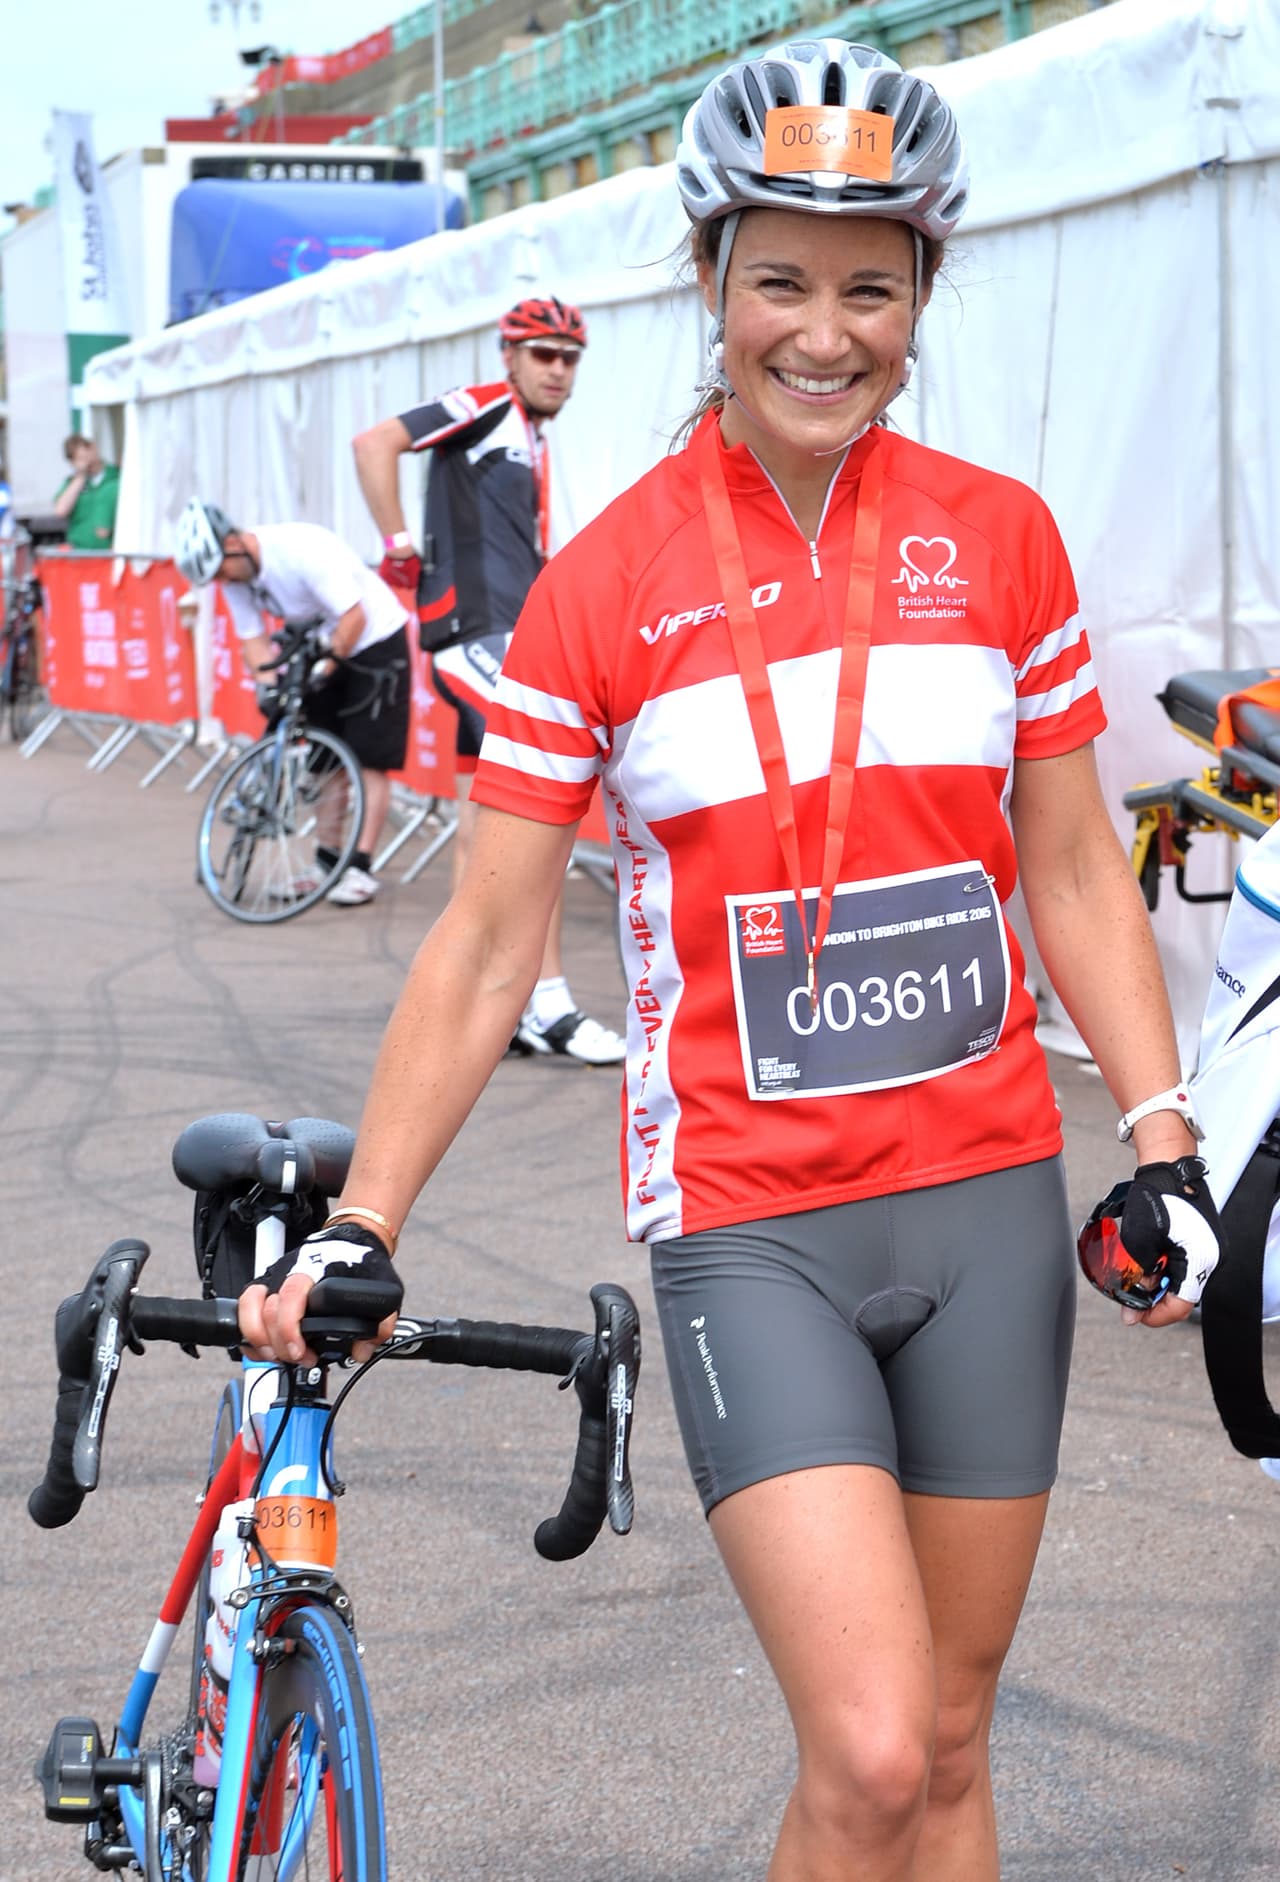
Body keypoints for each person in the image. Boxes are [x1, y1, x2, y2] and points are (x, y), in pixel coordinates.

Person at [242, 40, 1225, 1880]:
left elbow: (1076, 867)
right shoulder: (607, 583)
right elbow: (487, 938)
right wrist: (366, 1213)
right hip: (754, 1224)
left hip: (991, 1200)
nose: (824, 334)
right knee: (869, 1746)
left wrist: (1164, 1137)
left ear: (923, 293)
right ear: (709, 281)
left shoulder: (1003, 542)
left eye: (872, 289)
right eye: (780, 281)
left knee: (951, 1737)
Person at [351, 296, 624, 1065]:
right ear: (509, 356)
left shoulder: (530, 435)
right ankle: (549, 1004)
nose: (558, 370)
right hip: (476, 636)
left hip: (499, 635)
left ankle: (475, 1004)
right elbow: (374, 442)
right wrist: (397, 543)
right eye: (543, 354)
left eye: (570, 358)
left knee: (484, 823)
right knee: (547, 807)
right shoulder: (487, 404)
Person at [175, 500, 411, 907]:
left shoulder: (301, 551)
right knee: (322, 758)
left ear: (233, 544)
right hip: (320, 642)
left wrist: (324, 670)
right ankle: (326, 861)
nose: (221, 581)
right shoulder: (233, 576)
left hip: (374, 638)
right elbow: (253, 641)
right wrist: (269, 688)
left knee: (369, 759)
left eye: (221, 571)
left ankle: (359, 866)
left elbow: (353, 618)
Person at [53, 434, 120, 549]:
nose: (87, 462)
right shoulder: (72, 483)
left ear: (93, 448)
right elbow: (60, 511)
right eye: (80, 459)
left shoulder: (116, 476)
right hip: (80, 551)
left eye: (87, 456)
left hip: (112, 550)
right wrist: (81, 477)